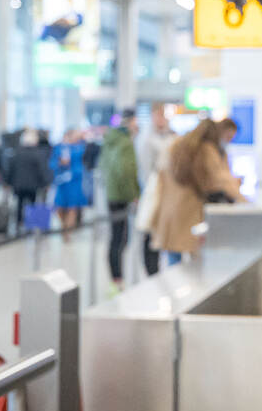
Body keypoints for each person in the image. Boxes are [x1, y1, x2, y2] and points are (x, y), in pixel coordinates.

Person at [149, 119, 244, 262]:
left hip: (170, 207)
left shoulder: (177, 145)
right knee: (195, 257)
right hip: (190, 208)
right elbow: (220, 180)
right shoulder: (206, 150)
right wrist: (244, 199)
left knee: (174, 255)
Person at [99, 109, 140, 290]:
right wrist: (134, 194)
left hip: (112, 193)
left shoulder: (110, 140)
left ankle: (116, 278)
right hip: (121, 196)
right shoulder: (124, 143)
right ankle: (117, 279)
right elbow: (125, 171)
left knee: (116, 238)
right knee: (120, 239)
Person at [137, 104, 177, 275]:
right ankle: (151, 270)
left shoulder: (173, 136)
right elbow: (145, 168)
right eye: (157, 115)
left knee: (170, 230)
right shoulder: (146, 139)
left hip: (171, 190)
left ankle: (172, 268)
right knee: (151, 231)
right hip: (154, 189)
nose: (161, 119)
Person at [7, 128, 51, 233]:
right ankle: (30, 225)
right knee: (32, 204)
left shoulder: (16, 152)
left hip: (18, 184)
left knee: (19, 203)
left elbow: (10, 169)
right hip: (33, 185)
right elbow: (42, 169)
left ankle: (18, 223)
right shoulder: (38, 153)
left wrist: (8, 182)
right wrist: (46, 182)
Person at [50, 129, 90, 241]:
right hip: (61, 182)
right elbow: (52, 163)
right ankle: (64, 226)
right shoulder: (58, 148)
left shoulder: (79, 148)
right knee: (59, 207)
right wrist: (60, 162)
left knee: (72, 207)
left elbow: (81, 161)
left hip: (74, 181)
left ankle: (67, 232)